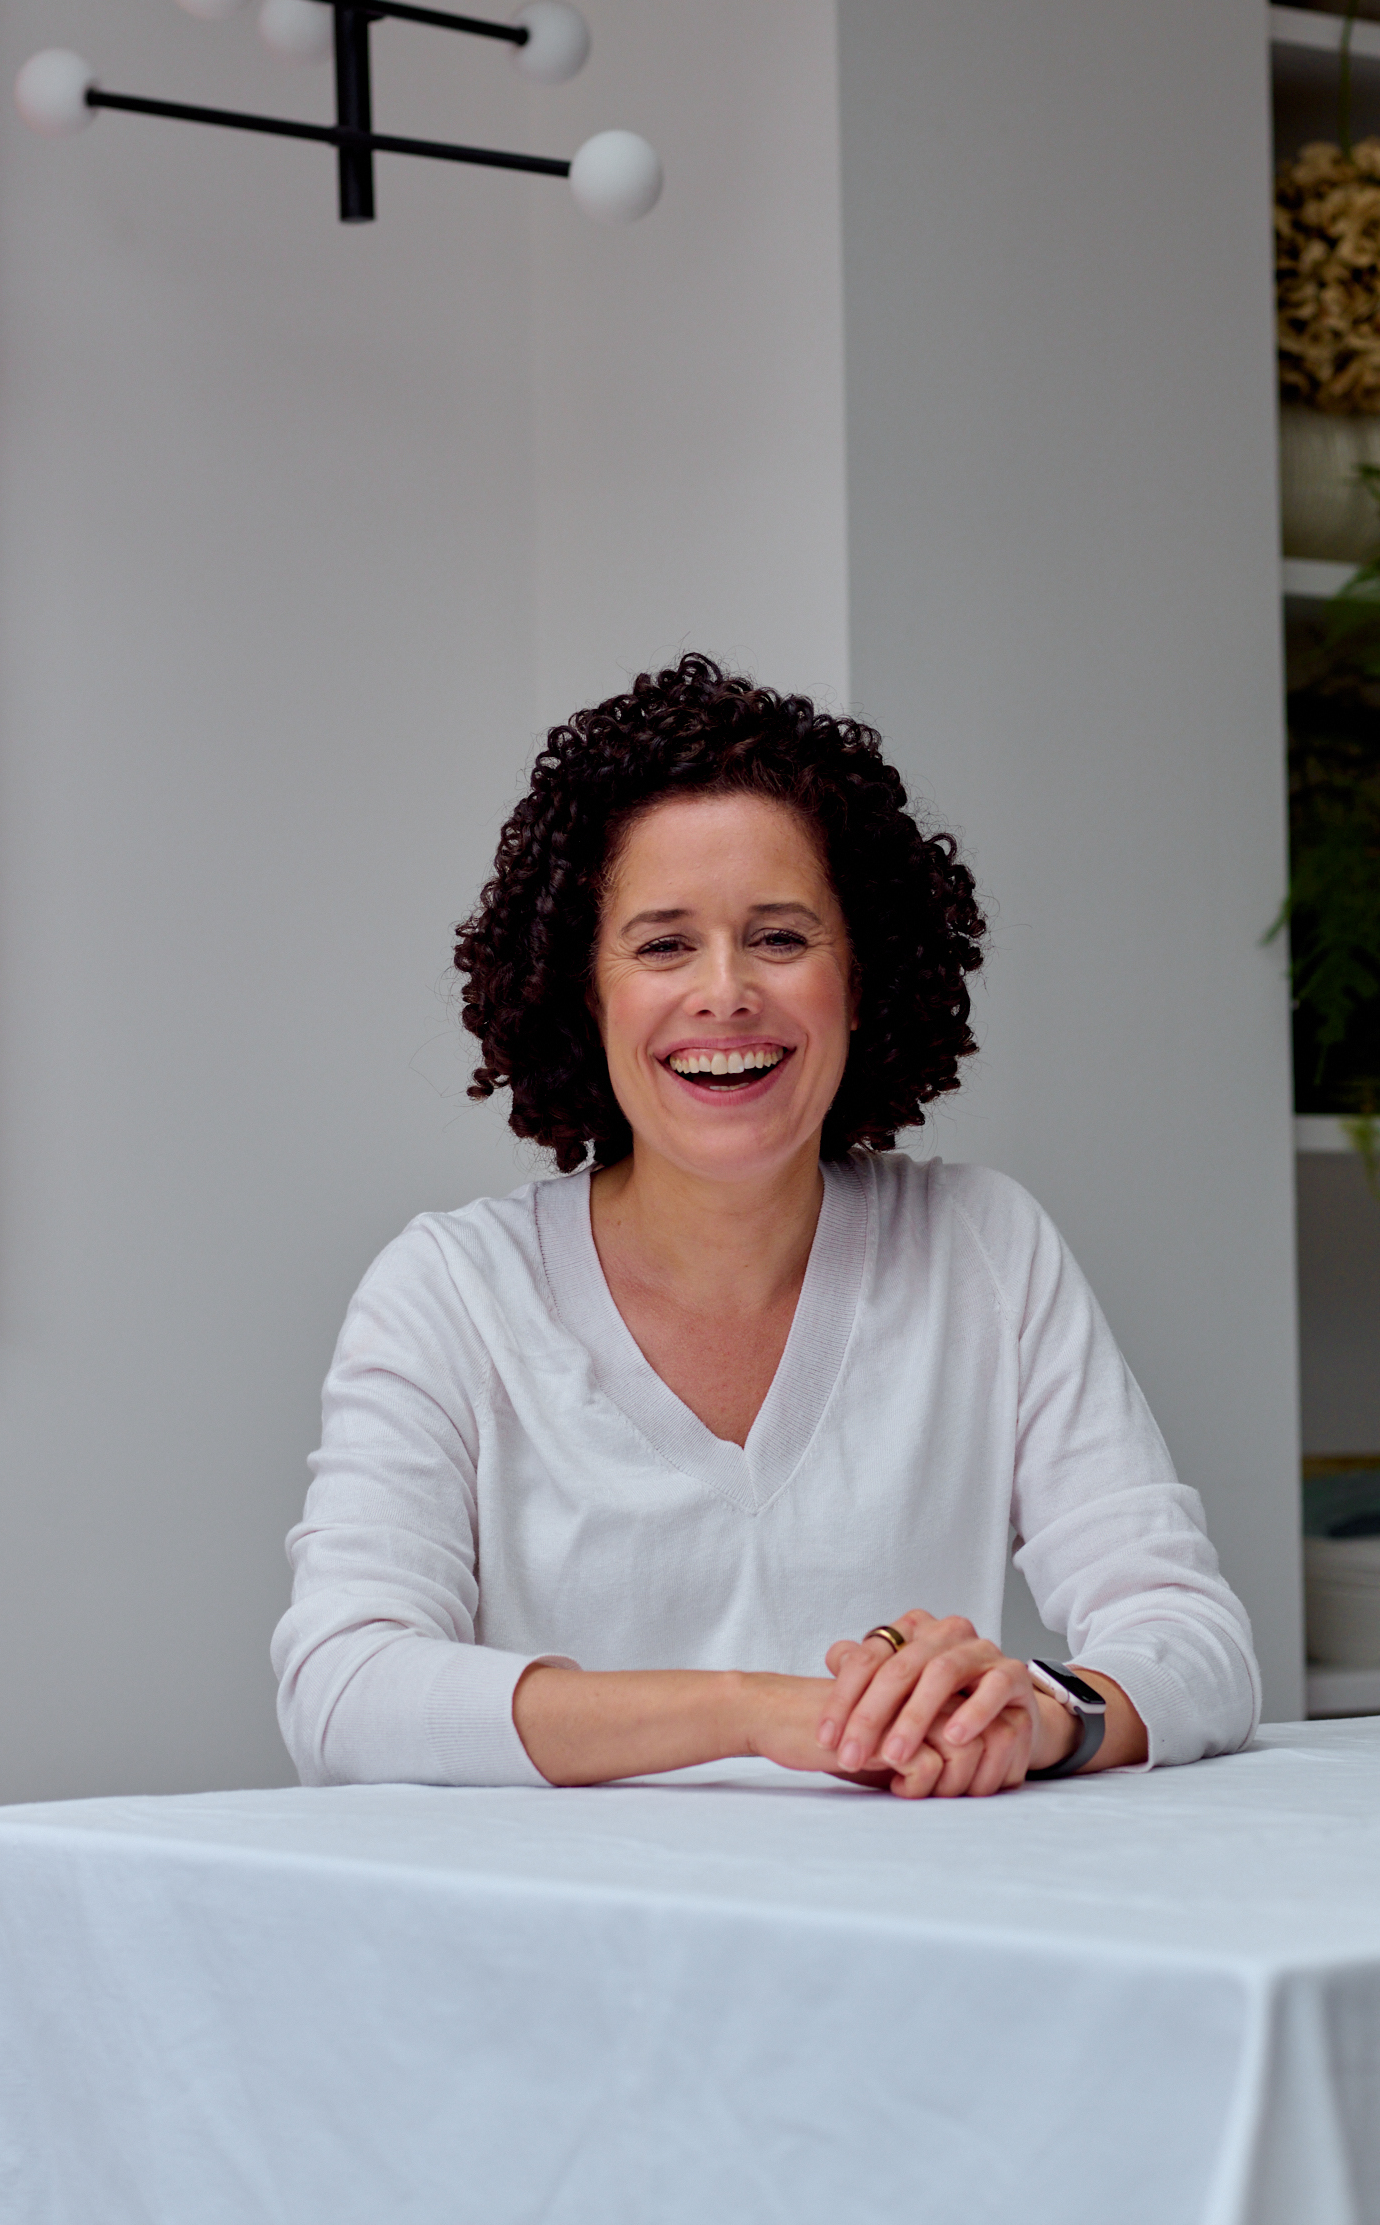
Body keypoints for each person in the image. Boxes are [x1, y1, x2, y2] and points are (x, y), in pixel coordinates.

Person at [274, 656, 1258, 1796]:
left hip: (911, 1942)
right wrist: (756, 1711)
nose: (726, 990)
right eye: (661, 943)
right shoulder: (450, 1290)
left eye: (781, 937)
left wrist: (1034, 1713)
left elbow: (1194, 1638)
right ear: (581, 991)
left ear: (864, 974)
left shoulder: (984, 1245)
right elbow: (342, 1690)